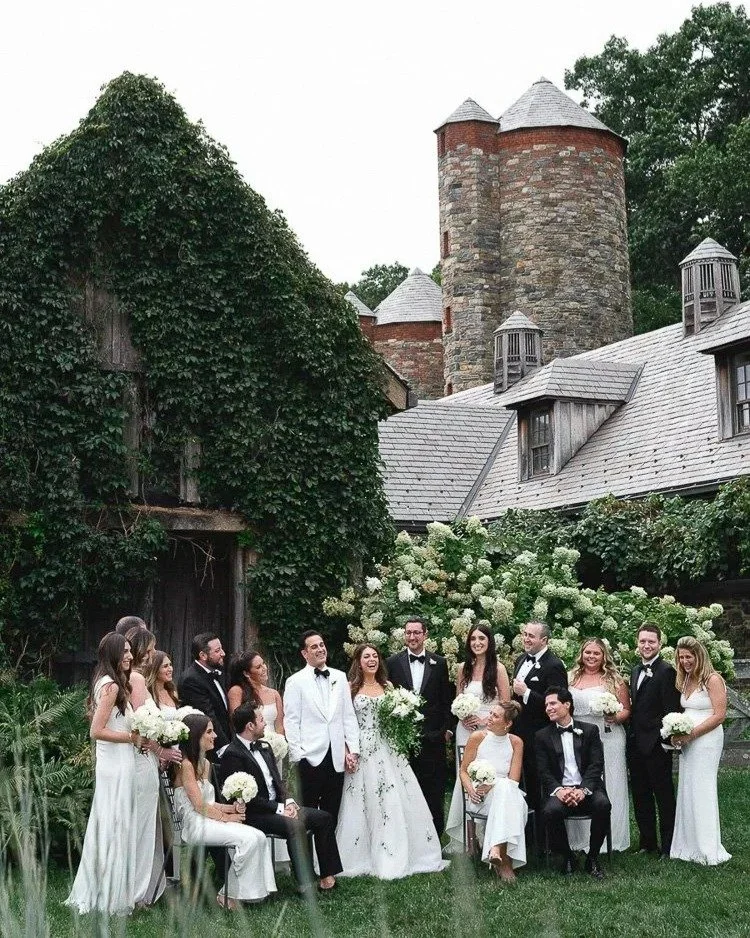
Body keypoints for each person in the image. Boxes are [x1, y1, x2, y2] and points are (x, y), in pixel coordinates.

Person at [336, 644, 448, 879]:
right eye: (366, 656)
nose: (371, 660)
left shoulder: (387, 687)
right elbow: (343, 723)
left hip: (388, 747)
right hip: (362, 746)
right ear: (358, 661)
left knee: (393, 796)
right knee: (363, 798)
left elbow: (394, 720)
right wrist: (349, 750)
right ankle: (359, 855)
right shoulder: (349, 688)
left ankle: (399, 851)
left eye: (375, 656)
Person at [218, 703, 342, 891]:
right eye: (261, 720)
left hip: (277, 808)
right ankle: (305, 883)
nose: (265, 724)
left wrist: (289, 802)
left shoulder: (265, 747)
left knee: (323, 818)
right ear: (250, 726)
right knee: (295, 825)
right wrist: (281, 810)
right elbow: (246, 799)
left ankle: (327, 877)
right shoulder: (232, 754)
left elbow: (278, 782)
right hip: (254, 814)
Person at [66, 633, 140, 915]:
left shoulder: (111, 683)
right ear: (111, 654)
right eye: (124, 652)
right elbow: (96, 731)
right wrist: (132, 738)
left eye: (130, 652)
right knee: (114, 824)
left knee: (114, 823)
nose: (129, 657)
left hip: (120, 762)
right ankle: (107, 895)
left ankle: (111, 889)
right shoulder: (110, 686)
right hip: (116, 765)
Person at [172, 713, 276, 909]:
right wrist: (228, 818)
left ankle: (251, 893)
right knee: (247, 839)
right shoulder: (186, 766)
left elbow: (210, 802)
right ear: (196, 736)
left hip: (209, 818)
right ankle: (228, 895)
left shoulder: (206, 764)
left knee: (259, 836)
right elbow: (198, 805)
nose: (215, 736)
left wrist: (232, 808)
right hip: (195, 824)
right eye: (209, 732)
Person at [283, 630, 360, 836]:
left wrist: (353, 750)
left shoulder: (339, 676)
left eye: (322, 644)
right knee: (306, 812)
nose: (320, 649)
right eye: (314, 646)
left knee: (331, 812)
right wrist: (298, 755)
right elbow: (291, 721)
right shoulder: (295, 681)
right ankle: (305, 863)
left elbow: (348, 717)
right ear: (304, 653)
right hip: (309, 756)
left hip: (336, 757)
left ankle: (326, 864)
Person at [126, 628, 180, 905]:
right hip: (143, 758)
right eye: (147, 651)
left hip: (147, 759)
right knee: (144, 825)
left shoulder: (133, 678)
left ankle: (148, 885)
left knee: (150, 825)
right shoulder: (135, 679)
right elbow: (141, 726)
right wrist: (160, 750)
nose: (151, 657)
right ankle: (137, 892)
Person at [445, 625, 510, 852]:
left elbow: (505, 702)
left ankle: (491, 836)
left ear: (489, 641)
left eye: (481, 638)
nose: (477, 643)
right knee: (467, 779)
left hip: (491, 730)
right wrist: (462, 717)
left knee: (487, 778)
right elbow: (457, 700)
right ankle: (471, 840)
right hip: (466, 730)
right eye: (473, 639)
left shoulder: (499, 669)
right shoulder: (463, 668)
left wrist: (485, 721)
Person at [386, 616, 453, 835]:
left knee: (434, 789)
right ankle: (409, 836)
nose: (412, 637)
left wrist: (445, 730)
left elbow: (446, 701)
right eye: (408, 633)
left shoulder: (439, 663)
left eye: (416, 632)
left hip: (433, 738)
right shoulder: (392, 662)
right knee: (405, 788)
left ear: (425, 635)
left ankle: (435, 835)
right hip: (403, 739)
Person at [536, 687, 611, 880]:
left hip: (587, 788)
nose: (548, 708)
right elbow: (543, 771)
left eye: (552, 703)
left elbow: (596, 765)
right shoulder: (542, 736)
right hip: (560, 791)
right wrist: (559, 790)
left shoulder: (589, 730)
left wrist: (583, 790)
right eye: (546, 705)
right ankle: (567, 856)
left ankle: (592, 857)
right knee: (550, 811)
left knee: (603, 805)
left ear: (567, 705)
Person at [669, 636, 731, 865]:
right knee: (687, 788)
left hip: (706, 740)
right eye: (681, 657)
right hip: (688, 742)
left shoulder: (712, 679)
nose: (685, 661)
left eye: (689, 657)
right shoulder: (685, 679)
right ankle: (687, 845)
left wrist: (692, 734)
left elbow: (719, 714)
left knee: (702, 788)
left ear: (699, 656)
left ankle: (706, 848)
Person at [567, 638, 631, 852]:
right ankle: (581, 837)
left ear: (604, 656)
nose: (591, 657)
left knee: (610, 781)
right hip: (579, 737)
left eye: (596, 653)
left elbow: (626, 710)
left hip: (608, 736)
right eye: (588, 653)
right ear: (581, 654)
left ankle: (610, 838)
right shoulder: (571, 677)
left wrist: (615, 717)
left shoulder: (614, 679)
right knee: (582, 780)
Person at [627, 623, 681, 858]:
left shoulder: (666, 671)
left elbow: (671, 711)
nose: (646, 645)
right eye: (642, 641)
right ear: (637, 643)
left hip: (656, 745)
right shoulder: (636, 670)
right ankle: (647, 843)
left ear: (660, 644)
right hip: (636, 744)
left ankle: (669, 846)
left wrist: (663, 740)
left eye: (651, 641)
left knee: (664, 797)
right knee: (641, 796)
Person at [458, 701, 528, 881]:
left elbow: (513, 780)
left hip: (507, 794)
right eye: (490, 713)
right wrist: (470, 790)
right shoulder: (477, 737)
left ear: (508, 723)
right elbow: (463, 771)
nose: (489, 718)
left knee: (505, 787)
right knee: (506, 791)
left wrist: (494, 784)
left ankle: (496, 849)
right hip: (481, 797)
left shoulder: (516, 742)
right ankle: (504, 861)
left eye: (495, 716)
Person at [511, 621, 568, 808]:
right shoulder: (520, 659)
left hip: (541, 735)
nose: (526, 639)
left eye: (531, 636)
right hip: (519, 734)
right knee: (522, 785)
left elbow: (557, 705)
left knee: (539, 787)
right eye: (525, 634)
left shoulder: (554, 665)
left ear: (544, 640)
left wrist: (526, 692)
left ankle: (542, 835)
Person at [179, 633, 231, 755]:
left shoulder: (216, 673)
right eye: (218, 651)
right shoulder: (191, 679)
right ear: (202, 655)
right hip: (208, 749)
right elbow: (209, 715)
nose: (223, 653)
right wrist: (225, 748)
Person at [227, 650, 285, 734]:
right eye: (258, 667)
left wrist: (280, 744)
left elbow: (279, 727)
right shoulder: (237, 691)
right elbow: (236, 724)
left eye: (263, 664)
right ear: (246, 673)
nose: (264, 668)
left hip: (274, 743)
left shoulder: (274, 693)